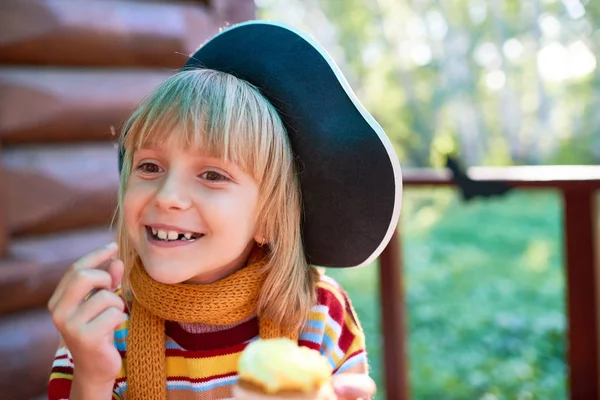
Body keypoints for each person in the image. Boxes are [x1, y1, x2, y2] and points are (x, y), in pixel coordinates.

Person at [47, 20, 402, 400]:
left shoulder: (320, 319)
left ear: (268, 218)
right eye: (149, 166)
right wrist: (93, 380)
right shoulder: (102, 332)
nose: (168, 196)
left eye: (212, 174)